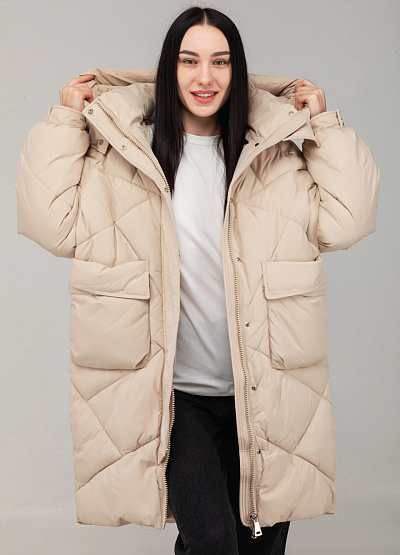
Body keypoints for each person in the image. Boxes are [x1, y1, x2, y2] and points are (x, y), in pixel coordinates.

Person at [15, 6, 380, 555]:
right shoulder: (124, 155)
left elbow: (349, 219)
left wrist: (323, 126)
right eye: (189, 61)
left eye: (220, 62)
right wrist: (66, 122)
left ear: (237, 71)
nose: (204, 77)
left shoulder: (275, 155)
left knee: (258, 547)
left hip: (265, 393)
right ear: (170, 69)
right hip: (173, 396)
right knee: (211, 541)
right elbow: (49, 222)